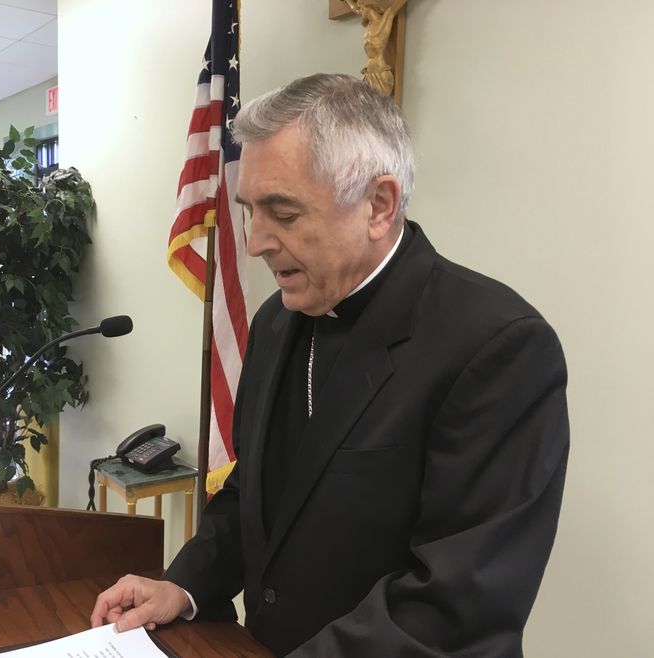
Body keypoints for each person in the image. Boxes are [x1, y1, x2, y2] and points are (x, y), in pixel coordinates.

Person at [91, 73, 569, 656]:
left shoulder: (496, 346)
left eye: (283, 213)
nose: (255, 242)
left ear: (378, 205)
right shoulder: (274, 321)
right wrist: (183, 585)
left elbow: (455, 604)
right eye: (249, 210)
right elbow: (254, 493)